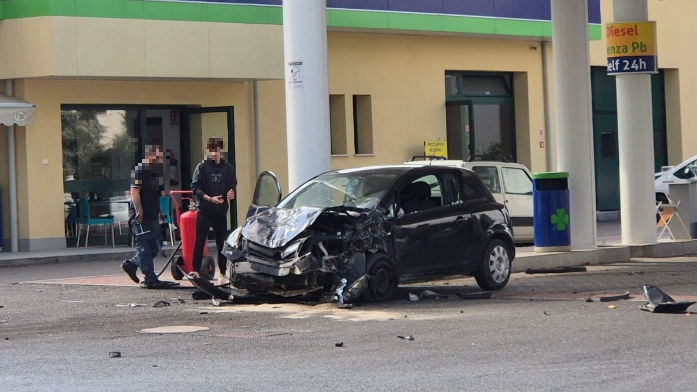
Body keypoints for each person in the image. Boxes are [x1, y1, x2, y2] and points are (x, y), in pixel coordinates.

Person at [121, 144, 179, 289]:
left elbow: (154, 194)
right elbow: (135, 192)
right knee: (144, 247)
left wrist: (159, 210)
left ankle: (131, 264)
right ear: (149, 156)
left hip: (153, 214)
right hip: (141, 217)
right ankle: (150, 278)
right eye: (157, 157)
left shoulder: (153, 173)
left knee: (156, 244)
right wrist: (139, 211)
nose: (159, 160)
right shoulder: (139, 171)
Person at [191, 137, 237, 285]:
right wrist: (209, 198)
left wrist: (231, 194)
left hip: (220, 210)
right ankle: (195, 270)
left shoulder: (228, 168)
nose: (214, 154)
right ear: (208, 151)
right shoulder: (202, 167)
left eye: (217, 150)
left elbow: (232, 187)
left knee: (221, 243)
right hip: (204, 210)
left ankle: (222, 273)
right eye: (212, 151)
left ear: (221, 151)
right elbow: (195, 188)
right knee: (200, 240)